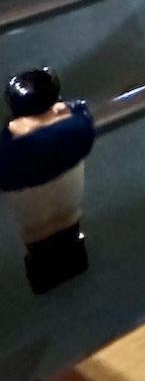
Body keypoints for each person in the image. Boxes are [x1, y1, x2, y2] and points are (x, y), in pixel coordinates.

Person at [1, 68, 94, 294]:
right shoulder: (77, 129)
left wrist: (19, 129)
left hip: (35, 234)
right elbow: (81, 110)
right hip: (70, 220)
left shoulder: (9, 156)